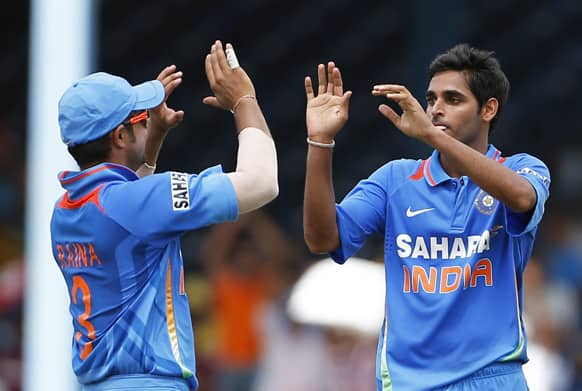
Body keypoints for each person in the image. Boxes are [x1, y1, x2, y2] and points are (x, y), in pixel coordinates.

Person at [302, 44, 550, 390]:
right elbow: (322, 239)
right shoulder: (395, 180)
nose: (435, 110)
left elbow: (522, 197)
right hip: (410, 382)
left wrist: (432, 136)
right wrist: (320, 141)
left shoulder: (521, 169)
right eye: (431, 99)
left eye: (453, 99)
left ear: (488, 109)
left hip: (493, 377)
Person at [50, 40, 278, 391]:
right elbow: (261, 183)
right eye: (140, 118)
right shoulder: (138, 201)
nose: (148, 120)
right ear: (121, 135)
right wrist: (244, 102)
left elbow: (131, 226)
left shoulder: (64, 212)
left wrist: (151, 140)